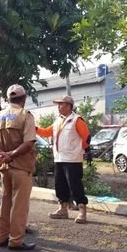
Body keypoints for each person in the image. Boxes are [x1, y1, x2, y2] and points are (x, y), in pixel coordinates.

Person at [0, 84, 36, 250]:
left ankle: (0, 236)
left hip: (4, 166)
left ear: (8, 99)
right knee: (19, 205)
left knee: (6, 200)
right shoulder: (25, 115)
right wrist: (12, 154)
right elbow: (29, 143)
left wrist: (3, 155)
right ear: (23, 99)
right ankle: (16, 240)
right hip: (21, 166)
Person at [36, 95, 91, 223]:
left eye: (61, 104)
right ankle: (63, 209)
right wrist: (34, 128)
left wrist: (84, 149)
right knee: (60, 185)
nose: (58, 107)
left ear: (68, 106)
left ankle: (82, 211)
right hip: (59, 158)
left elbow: (86, 137)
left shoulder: (77, 120)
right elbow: (46, 132)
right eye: (58, 105)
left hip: (73, 159)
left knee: (75, 185)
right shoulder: (58, 120)